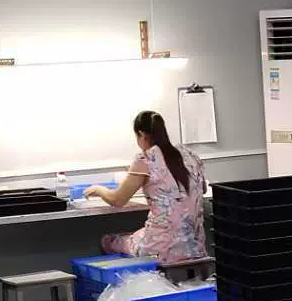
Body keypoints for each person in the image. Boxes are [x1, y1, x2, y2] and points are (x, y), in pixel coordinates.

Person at [88, 110, 207, 261]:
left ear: (141, 134)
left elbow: (117, 200)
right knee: (138, 234)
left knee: (110, 241)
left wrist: (99, 190)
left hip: (161, 248)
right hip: (195, 246)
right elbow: (203, 188)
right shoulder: (189, 155)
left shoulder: (146, 159)